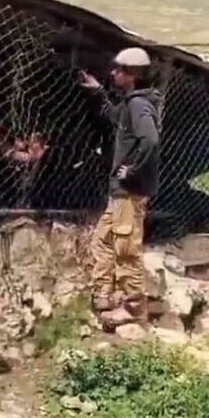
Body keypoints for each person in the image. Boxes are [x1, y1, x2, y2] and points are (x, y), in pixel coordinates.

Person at [77, 47, 161, 328]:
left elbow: (149, 140)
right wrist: (98, 90)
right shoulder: (131, 103)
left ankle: (133, 309)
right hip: (120, 192)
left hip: (128, 192)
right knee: (102, 241)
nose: (114, 73)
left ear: (134, 75)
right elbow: (113, 116)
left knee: (126, 249)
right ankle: (104, 296)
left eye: (120, 70)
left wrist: (133, 170)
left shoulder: (139, 105)